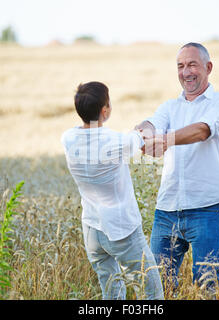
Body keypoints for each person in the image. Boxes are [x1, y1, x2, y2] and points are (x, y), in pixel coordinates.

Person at [135, 42, 219, 292]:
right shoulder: (170, 107)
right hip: (167, 210)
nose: (186, 72)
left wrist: (163, 140)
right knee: (157, 286)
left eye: (192, 64)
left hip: (208, 208)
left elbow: (202, 131)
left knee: (207, 287)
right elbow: (151, 124)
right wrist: (142, 134)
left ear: (208, 67)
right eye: (180, 66)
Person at [61, 81, 164, 300]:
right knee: (152, 291)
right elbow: (141, 135)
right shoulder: (117, 142)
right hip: (121, 230)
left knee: (111, 290)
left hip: (91, 228)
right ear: (105, 111)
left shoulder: (68, 138)